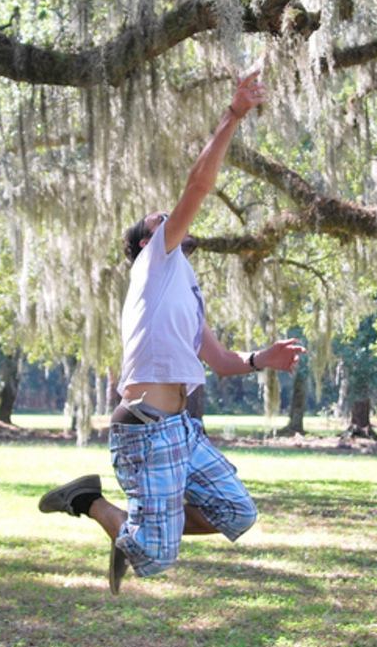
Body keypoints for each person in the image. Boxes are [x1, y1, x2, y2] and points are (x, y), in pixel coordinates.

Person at [38, 62, 306, 593]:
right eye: (158, 219)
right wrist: (233, 115)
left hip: (181, 431)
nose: (170, 217)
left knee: (237, 512)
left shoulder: (183, 288)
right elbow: (199, 185)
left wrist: (261, 360)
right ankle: (89, 500)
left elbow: (222, 361)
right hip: (146, 426)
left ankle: (144, 525)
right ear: (145, 242)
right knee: (155, 561)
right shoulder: (154, 260)